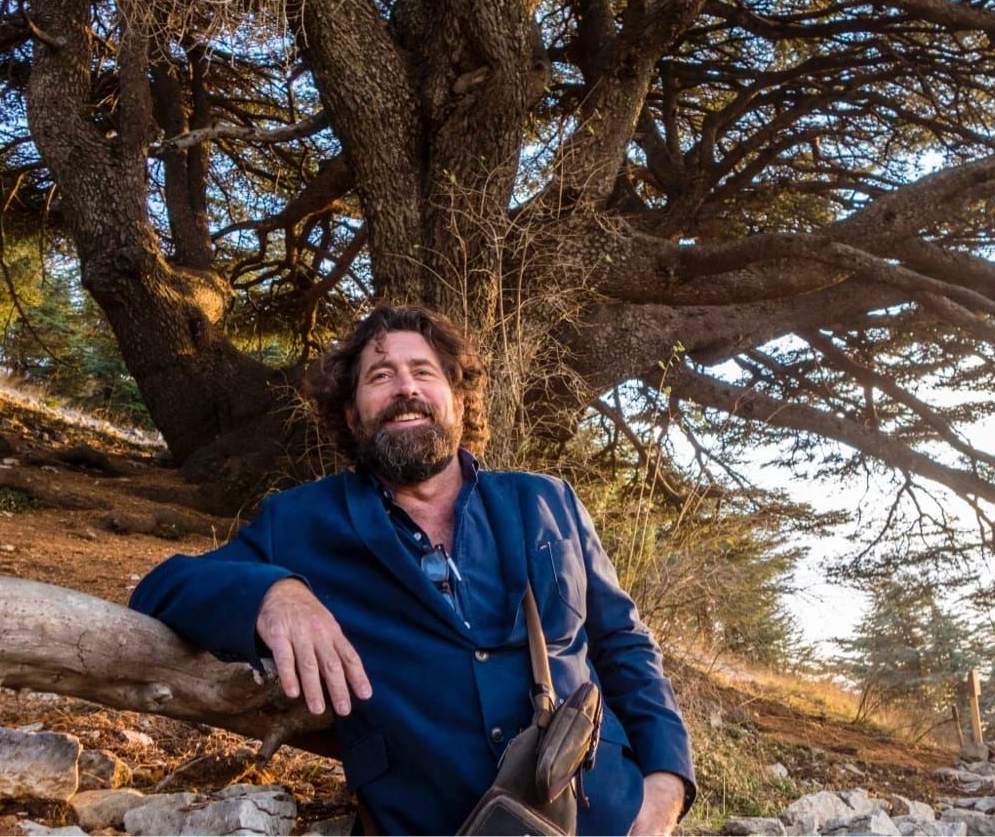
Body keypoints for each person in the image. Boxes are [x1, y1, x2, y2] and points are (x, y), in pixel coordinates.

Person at [130, 305, 694, 835]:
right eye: (380, 376)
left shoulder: (548, 501)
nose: (406, 388)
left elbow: (624, 644)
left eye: (424, 372)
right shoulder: (301, 521)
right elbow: (163, 587)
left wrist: (666, 784)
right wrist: (275, 593)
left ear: (460, 403)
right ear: (352, 416)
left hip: (607, 819)